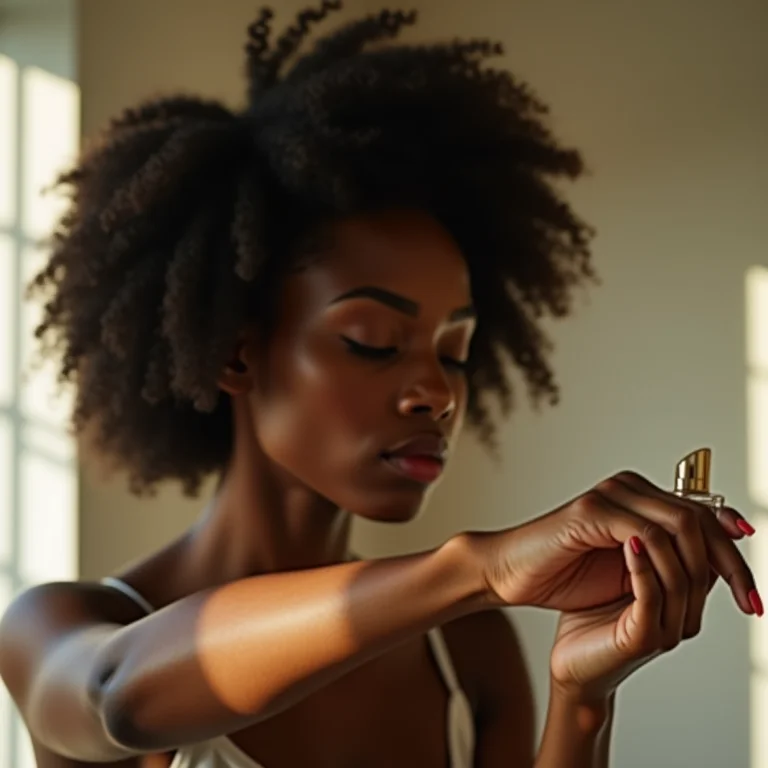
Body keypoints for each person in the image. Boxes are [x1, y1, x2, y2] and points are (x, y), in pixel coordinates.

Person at [0, 3, 761, 767]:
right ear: (235, 353)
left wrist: (584, 702)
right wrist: (478, 565)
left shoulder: (466, 650)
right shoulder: (58, 627)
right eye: (371, 342)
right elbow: (117, 696)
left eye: (455, 351)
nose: (437, 391)